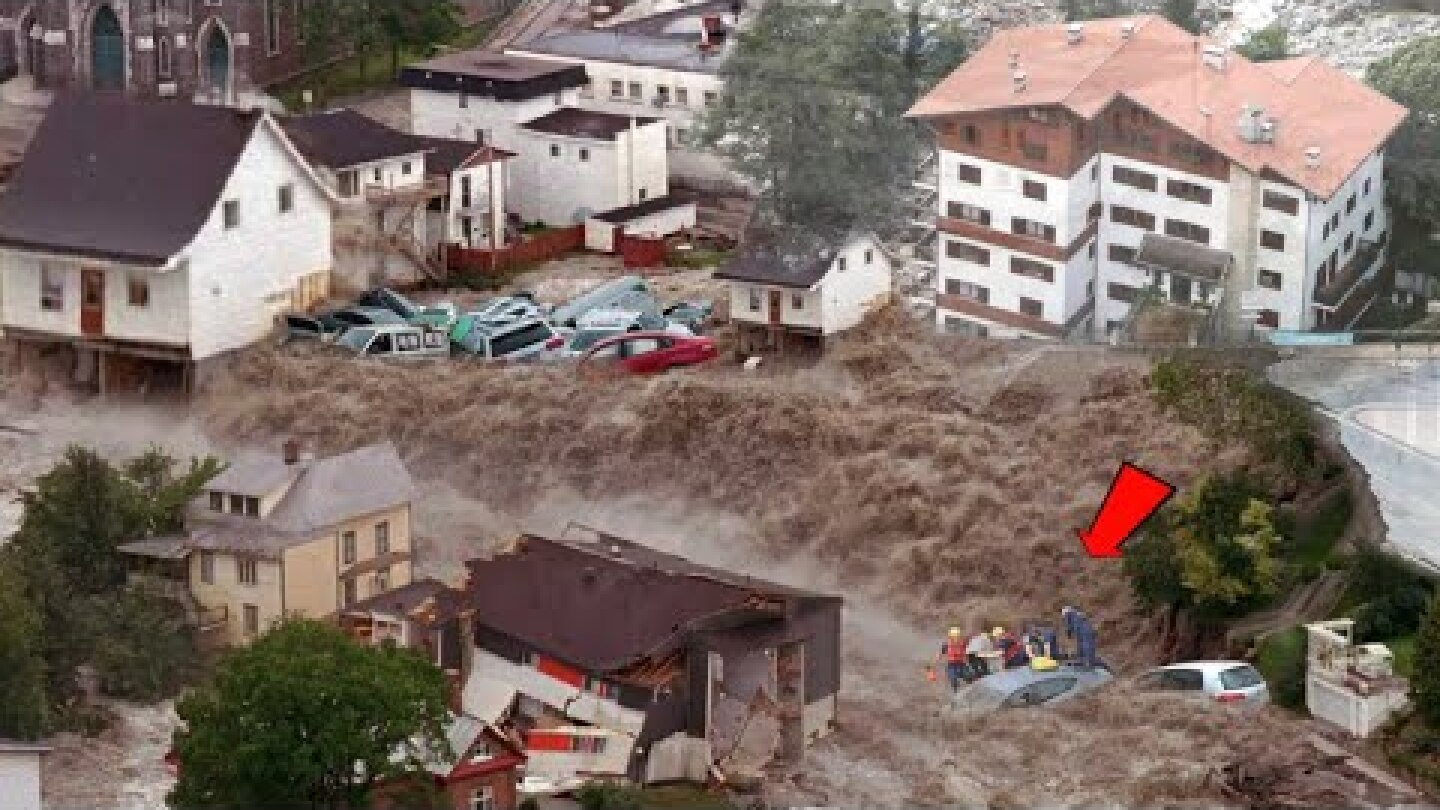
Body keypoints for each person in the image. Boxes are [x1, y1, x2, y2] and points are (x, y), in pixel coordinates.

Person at [937, 627, 967, 692]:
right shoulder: (947, 644)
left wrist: (967, 659)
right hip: (953, 663)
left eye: (957, 636)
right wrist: (938, 659)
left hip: (959, 662)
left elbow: (966, 651)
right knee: (954, 676)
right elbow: (942, 652)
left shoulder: (962, 643)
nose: (956, 637)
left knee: (961, 675)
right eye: (956, 636)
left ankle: (957, 685)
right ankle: (955, 688)